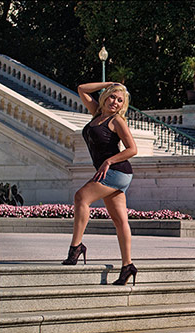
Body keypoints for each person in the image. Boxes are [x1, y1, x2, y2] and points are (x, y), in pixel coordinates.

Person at [62, 81, 138, 286]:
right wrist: (112, 84)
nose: (115, 102)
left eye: (120, 100)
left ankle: (75, 248)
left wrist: (109, 161)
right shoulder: (97, 113)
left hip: (116, 171)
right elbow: (81, 89)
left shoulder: (117, 121)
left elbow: (132, 149)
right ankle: (127, 266)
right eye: (112, 97)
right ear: (105, 97)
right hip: (116, 174)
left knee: (81, 197)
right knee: (120, 221)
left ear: (123, 106)